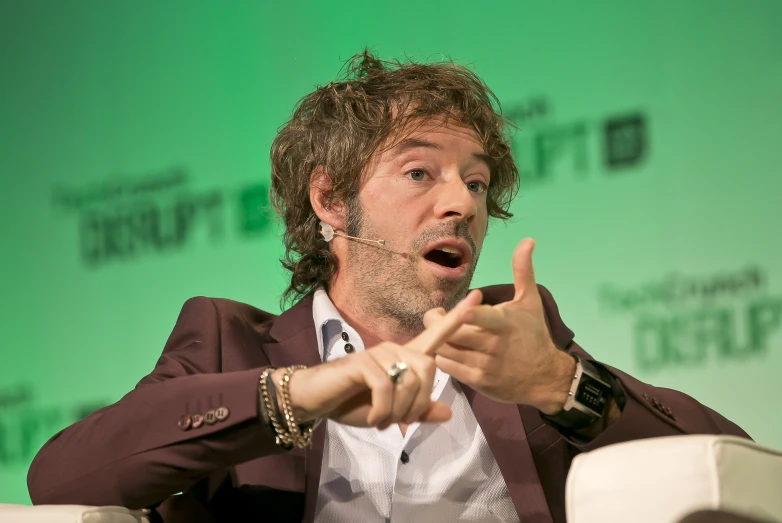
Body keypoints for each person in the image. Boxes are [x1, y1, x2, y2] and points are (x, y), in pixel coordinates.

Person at [27, 51, 749, 523]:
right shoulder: (230, 341)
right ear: (331, 200)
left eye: (476, 181)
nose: (462, 203)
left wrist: (564, 382)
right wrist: (299, 392)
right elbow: (61, 478)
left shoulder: (518, 341)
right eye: (420, 172)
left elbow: (734, 471)